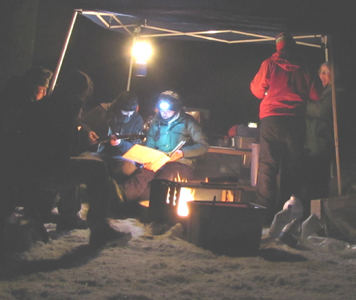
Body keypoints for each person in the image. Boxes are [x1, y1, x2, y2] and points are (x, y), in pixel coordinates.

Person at [15, 70, 130, 247]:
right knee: (97, 168)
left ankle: (69, 216)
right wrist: (81, 139)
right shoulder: (65, 108)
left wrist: (83, 132)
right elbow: (64, 148)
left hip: (26, 168)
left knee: (79, 164)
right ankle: (99, 229)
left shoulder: (45, 104)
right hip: (42, 171)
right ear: (82, 91)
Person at [250, 32, 319, 223]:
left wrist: (267, 90)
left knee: (268, 166)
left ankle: (263, 213)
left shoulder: (269, 64)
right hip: (295, 121)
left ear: (278, 46)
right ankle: (286, 214)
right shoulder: (304, 66)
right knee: (292, 168)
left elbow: (256, 90)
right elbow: (315, 94)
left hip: (272, 119)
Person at [113, 90, 209, 209]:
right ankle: (118, 199)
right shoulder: (157, 121)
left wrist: (182, 153)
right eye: (162, 109)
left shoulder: (188, 122)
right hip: (157, 160)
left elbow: (203, 145)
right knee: (142, 175)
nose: (164, 113)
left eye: (168, 110)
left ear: (177, 109)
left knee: (161, 183)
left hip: (180, 164)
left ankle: (145, 208)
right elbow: (150, 143)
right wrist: (148, 157)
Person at [301, 62, 344, 218]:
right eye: (321, 72)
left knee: (317, 184)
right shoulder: (325, 92)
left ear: (335, 74)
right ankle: (311, 217)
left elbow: (322, 111)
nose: (322, 76)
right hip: (314, 144)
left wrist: (300, 104)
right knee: (312, 183)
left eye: (326, 72)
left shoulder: (336, 92)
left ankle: (316, 218)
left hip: (321, 145)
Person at [79, 90, 144, 183]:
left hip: (120, 156)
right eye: (125, 111)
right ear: (118, 107)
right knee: (82, 161)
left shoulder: (137, 120)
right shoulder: (101, 111)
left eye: (132, 111)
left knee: (128, 170)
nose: (129, 114)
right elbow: (82, 123)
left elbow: (134, 148)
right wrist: (88, 132)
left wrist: (120, 144)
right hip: (96, 152)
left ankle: (116, 194)